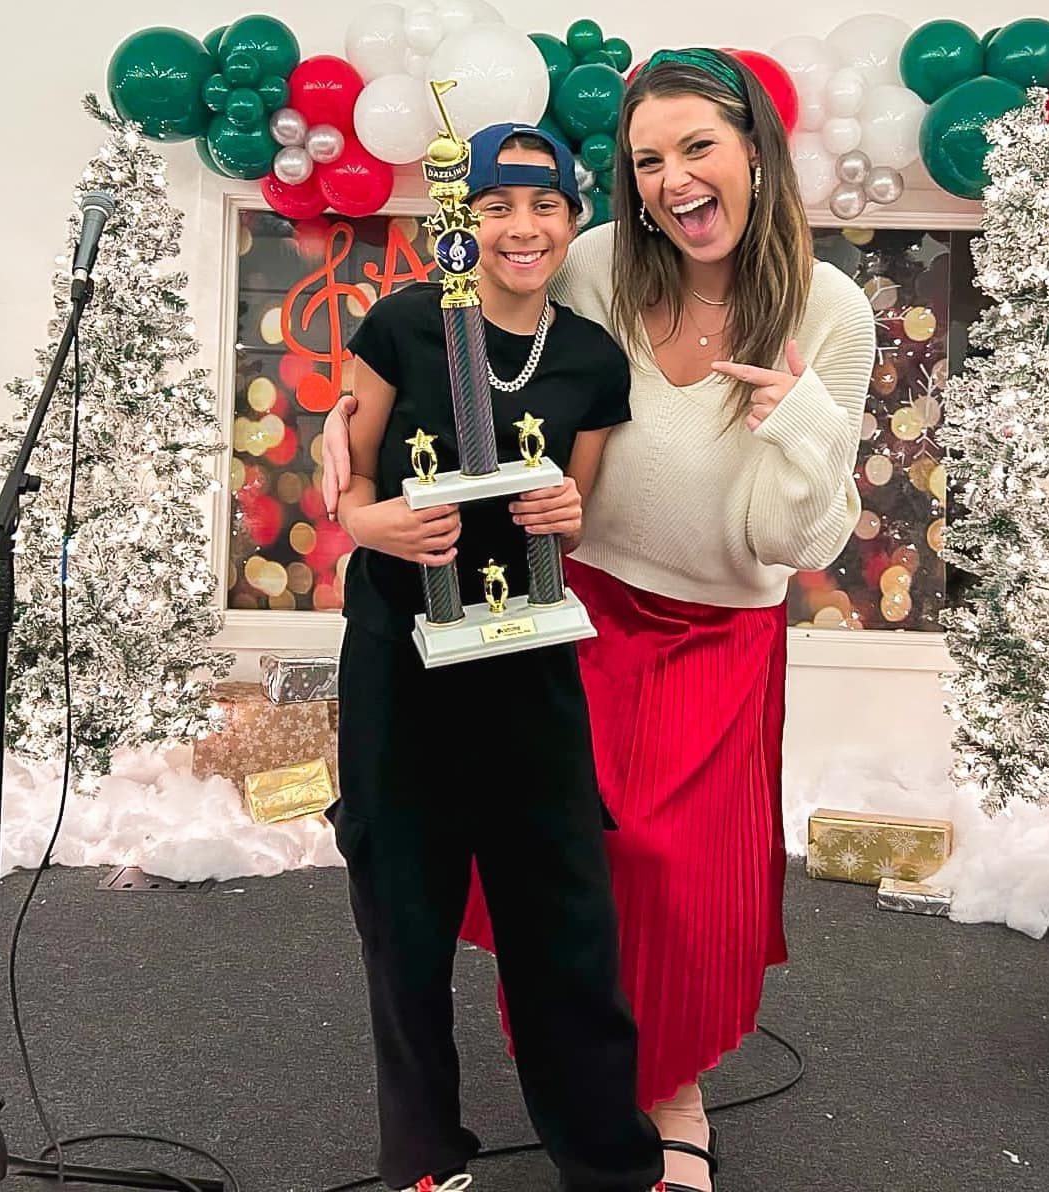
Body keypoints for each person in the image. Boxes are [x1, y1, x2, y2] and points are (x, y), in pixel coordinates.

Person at [324, 51, 874, 1192]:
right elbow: (474, 338)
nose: (674, 179)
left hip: (720, 624)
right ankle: (572, 1082)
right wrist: (352, 428)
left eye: (696, 148)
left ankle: (671, 1087)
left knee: (673, 869)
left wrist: (806, 429)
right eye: (647, 160)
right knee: (572, 864)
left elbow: (797, 541)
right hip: (575, 602)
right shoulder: (594, 265)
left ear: (754, 153)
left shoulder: (830, 310)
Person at [323, 122, 664, 1192]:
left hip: (526, 669)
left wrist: (564, 506)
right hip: (401, 662)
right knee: (405, 916)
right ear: (458, 219)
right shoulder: (401, 326)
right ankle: (424, 1156)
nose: (520, 227)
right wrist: (370, 526)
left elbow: (577, 519)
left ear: (573, 219)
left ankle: (607, 1160)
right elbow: (344, 481)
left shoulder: (592, 359)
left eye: (543, 205)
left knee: (564, 915)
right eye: (494, 204)